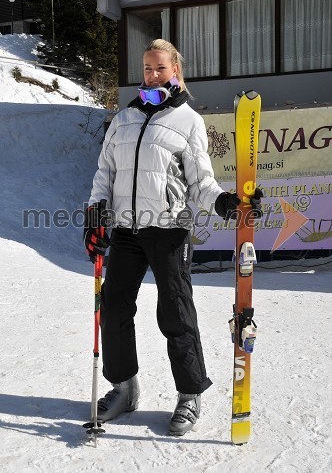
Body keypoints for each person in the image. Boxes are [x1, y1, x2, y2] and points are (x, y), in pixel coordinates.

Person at [84, 39, 262, 436]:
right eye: (146, 68)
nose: (151, 75)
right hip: (127, 230)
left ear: (175, 71)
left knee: (175, 314)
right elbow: (104, 174)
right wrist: (95, 215)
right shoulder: (125, 118)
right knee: (113, 309)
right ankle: (124, 388)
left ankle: (189, 394)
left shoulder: (188, 120)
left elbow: (201, 183)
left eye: (159, 68)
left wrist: (225, 203)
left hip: (169, 230)